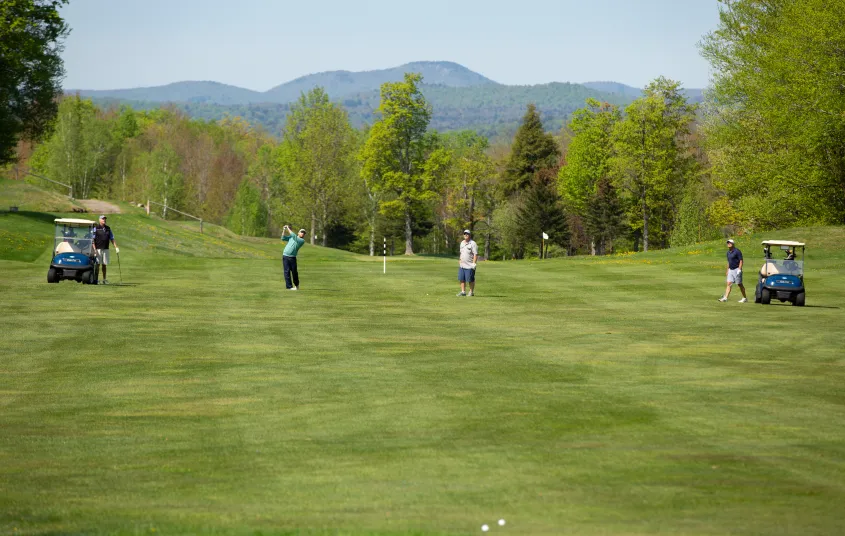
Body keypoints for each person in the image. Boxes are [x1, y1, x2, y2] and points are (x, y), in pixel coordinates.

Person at [92, 215, 118, 285]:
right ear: (99, 220)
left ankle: (104, 279)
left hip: (106, 249)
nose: (104, 220)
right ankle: (95, 280)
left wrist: (116, 247)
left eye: (105, 219)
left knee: (104, 264)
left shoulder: (108, 228)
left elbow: (112, 238)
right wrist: (94, 249)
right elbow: (93, 240)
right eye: (103, 219)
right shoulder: (96, 228)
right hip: (98, 249)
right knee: (97, 264)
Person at [719, 238, 746, 303]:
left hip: (737, 269)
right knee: (728, 283)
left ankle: (744, 298)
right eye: (728, 243)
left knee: (739, 284)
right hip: (730, 269)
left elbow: (741, 261)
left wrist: (739, 269)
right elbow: (729, 262)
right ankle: (725, 298)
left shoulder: (737, 251)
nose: (728, 244)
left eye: (730, 243)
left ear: (733, 244)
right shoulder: (728, 252)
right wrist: (727, 270)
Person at [281, 225, 306, 290]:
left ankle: (296, 285)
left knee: (294, 272)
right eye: (301, 232)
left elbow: (294, 236)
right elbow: (283, 238)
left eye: (304, 233)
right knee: (286, 272)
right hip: (285, 256)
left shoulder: (301, 241)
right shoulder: (291, 237)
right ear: (298, 233)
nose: (303, 233)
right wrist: (284, 229)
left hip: (292, 257)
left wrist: (288, 228)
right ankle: (289, 287)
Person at [457, 229, 478, 297]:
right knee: (461, 279)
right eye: (465, 234)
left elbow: (475, 254)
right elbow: (461, 252)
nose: (466, 235)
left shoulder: (473, 243)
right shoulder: (462, 243)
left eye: (467, 234)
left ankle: (471, 292)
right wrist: (460, 260)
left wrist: (474, 263)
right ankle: (463, 292)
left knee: (470, 280)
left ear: (469, 235)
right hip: (462, 265)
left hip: (470, 265)